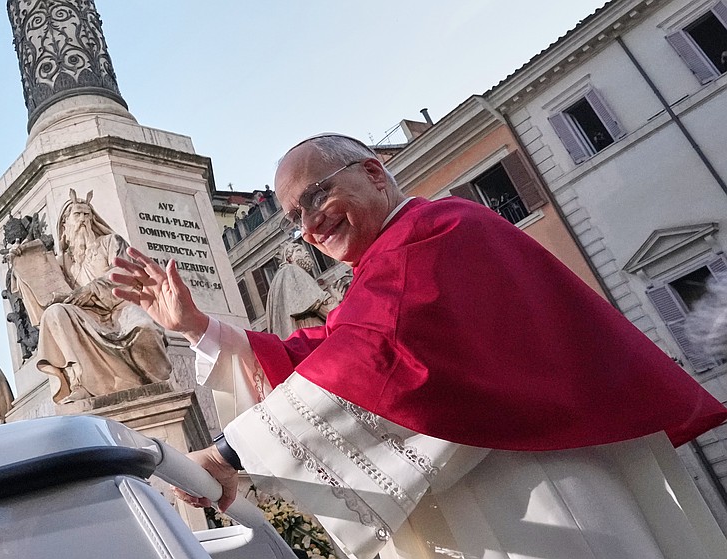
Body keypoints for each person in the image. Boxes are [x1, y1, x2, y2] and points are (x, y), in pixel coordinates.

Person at [112, 134, 727, 559]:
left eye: (316, 197)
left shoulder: (440, 233)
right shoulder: (384, 268)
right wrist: (197, 327)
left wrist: (226, 456)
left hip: (542, 492)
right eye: (293, 216)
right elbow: (323, 353)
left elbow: (375, 360)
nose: (309, 226)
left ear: (374, 173)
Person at [35, 190, 174, 404]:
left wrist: (91, 290)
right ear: (65, 224)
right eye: (77, 215)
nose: (83, 220)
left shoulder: (111, 242)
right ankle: (80, 380)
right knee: (54, 314)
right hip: (87, 316)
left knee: (144, 327)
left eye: (87, 215)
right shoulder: (63, 263)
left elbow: (126, 274)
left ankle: (152, 382)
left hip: (121, 306)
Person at [265, 241, 336, 339]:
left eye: (304, 250)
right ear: (289, 258)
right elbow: (320, 304)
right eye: (299, 250)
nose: (306, 252)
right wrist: (338, 303)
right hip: (313, 335)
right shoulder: (292, 271)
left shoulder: (279, 279)